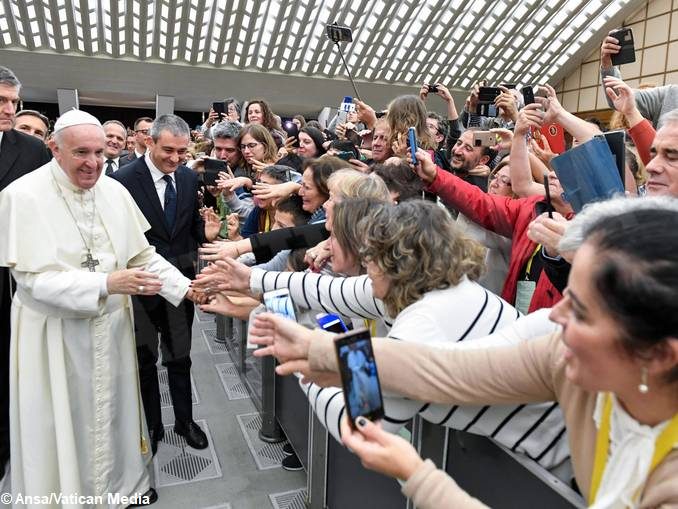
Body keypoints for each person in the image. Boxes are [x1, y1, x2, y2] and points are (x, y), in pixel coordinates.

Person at [251, 195, 678, 509]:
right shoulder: (461, 295)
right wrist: (310, 342)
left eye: (581, 309)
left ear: (658, 355)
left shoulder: (424, 320)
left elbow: (364, 413)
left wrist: (304, 361)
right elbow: (443, 370)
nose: (554, 314)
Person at [0, 109, 202, 505]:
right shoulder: (21, 196)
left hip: (109, 329)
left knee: (114, 413)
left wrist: (188, 288)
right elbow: (33, 282)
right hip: (55, 336)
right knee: (64, 419)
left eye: (99, 154)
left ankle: (119, 489)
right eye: (81, 154)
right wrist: (107, 283)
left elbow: (142, 256)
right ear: (54, 149)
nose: (93, 163)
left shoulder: (113, 191)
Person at [114, 114, 219, 455]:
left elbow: (188, 229)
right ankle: (153, 424)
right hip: (142, 287)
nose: (175, 158)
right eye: (168, 150)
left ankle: (185, 421)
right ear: (149, 142)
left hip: (181, 285)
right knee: (144, 359)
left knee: (180, 356)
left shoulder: (188, 179)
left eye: (182, 152)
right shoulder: (123, 181)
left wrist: (206, 236)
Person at [0, 66, 52, 481]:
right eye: (1, 101)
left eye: (13, 101)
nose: (10, 110)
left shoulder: (33, 153)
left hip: (11, 278)